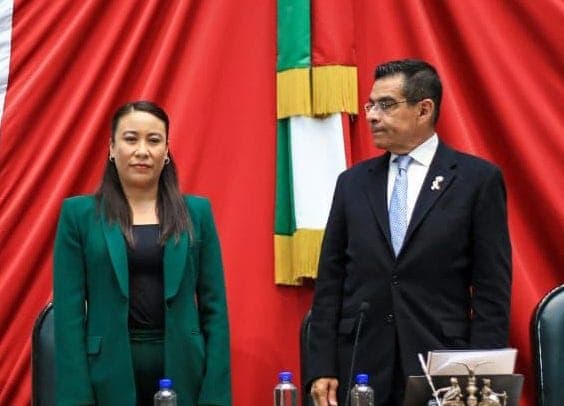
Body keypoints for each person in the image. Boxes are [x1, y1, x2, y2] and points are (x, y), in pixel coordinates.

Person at [307, 59, 511, 406]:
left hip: (443, 366)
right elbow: (330, 281)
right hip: (361, 365)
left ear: (424, 110)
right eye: (371, 105)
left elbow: (492, 291)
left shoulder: (476, 181)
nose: (372, 116)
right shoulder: (352, 184)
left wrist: (479, 380)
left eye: (386, 105)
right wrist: (322, 367)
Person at [53, 101, 231, 405]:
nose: (142, 151)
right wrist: (76, 398)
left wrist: (215, 395)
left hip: (185, 372)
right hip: (105, 376)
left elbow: (215, 311)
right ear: (112, 148)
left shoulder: (197, 213)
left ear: (166, 151)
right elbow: (68, 317)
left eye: (154, 140)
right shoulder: (78, 215)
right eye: (131, 139)